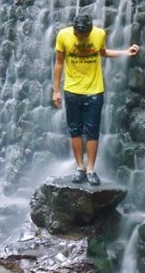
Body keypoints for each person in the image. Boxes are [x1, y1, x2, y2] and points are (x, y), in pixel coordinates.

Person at [51, 13, 139, 186]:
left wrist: (125, 52)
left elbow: (103, 52)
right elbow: (59, 63)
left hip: (94, 90)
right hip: (72, 90)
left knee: (92, 131)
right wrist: (56, 91)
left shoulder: (99, 34)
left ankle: (91, 169)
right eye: (77, 34)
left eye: (83, 35)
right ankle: (80, 168)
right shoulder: (63, 35)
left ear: (90, 31)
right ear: (74, 29)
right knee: (75, 130)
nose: (80, 38)